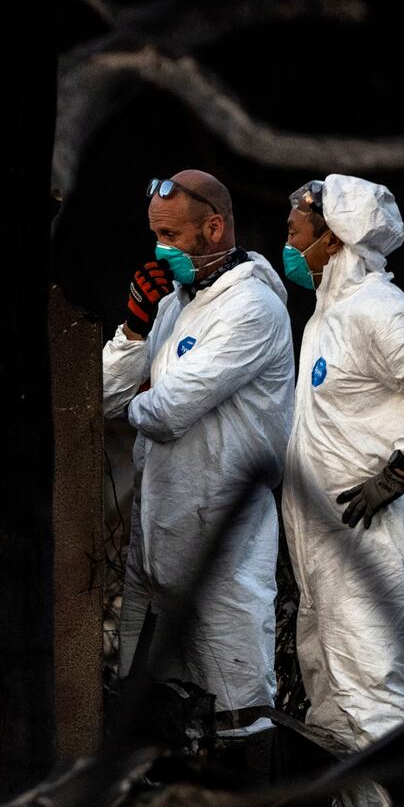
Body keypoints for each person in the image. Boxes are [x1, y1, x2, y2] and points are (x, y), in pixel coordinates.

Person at [279, 173, 404, 807]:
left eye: (297, 230)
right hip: (324, 540)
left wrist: (397, 471)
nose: (289, 240)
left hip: (369, 536)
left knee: (372, 694)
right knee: (331, 696)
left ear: (333, 237)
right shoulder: (329, 317)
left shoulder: (375, 308)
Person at [103, 170, 294, 736]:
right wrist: (135, 330)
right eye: (154, 235)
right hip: (156, 529)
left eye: (171, 235)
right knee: (149, 705)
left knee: (236, 704)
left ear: (213, 229)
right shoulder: (171, 303)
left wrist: (140, 400)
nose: (160, 249)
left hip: (222, 536)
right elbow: (103, 394)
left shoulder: (252, 308)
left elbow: (165, 412)